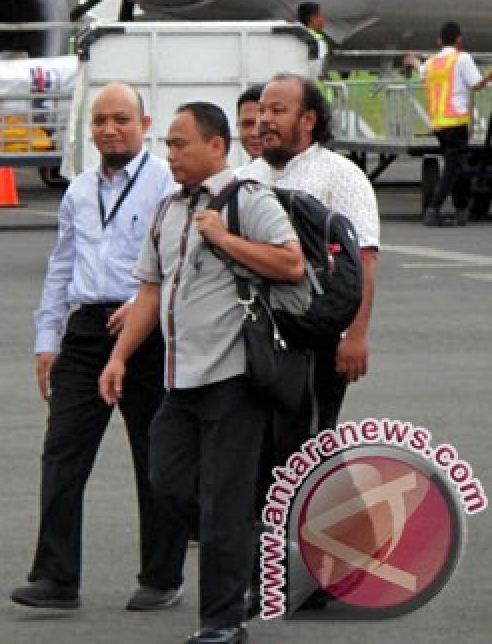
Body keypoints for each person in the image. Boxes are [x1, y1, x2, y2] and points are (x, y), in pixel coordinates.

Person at [100, 102, 304, 644]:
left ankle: (222, 622)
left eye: (180, 144)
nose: (170, 155)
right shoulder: (168, 210)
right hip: (178, 379)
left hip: (235, 379)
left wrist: (224, 239)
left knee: (223, 504)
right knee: (167, 482)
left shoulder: (248, 200)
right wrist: (119, 356)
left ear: (217, 147)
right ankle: (260, 543)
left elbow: (291, 262)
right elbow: (149, 291)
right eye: (167, 145)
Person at [10, 83, 185, 612]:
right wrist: (48, 340)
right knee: (62, 452)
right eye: (101, 120)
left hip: (147, 331)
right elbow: (61, 266)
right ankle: (56, 577)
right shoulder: (79, 189)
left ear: (144, 124)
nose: (110, 129)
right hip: (87, 331)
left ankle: (161, 576)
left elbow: (177, 263)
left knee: (154, 456)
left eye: (122, 120)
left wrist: (142, 305)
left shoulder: (165, 185)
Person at [239, 73, 379, 436]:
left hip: (317, 339)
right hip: (254, 336)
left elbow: (363, 260)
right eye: (262, 111)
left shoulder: (341, 176)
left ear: (308, 120)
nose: (264, 120)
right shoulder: (245, 177)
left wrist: (356, 335)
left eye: (278, 110)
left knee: (311, 445)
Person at [405, 21, 491, 226]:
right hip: (457, 121)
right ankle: (434, 208)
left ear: (439, 41)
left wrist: (414, 61)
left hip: (439, 124)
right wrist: (489, 75)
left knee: (456, 165)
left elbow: (422, 70)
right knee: (454, 167)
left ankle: (462, 209)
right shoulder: (462, 59)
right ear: (459, 40)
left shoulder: (433, 62)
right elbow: (476, 84)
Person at [297, 1, 329, 81]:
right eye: (320, 16)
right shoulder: (316, 40)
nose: (323, 19)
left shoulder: (290, 34)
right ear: (312, 18)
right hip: (307, 84)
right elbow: (319, 69)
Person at [235, 85, 264, 162]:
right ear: (238, 127)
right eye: (247, 124)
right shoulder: (237, 174)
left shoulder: (298, 173)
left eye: (263, 124)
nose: (255, 133)